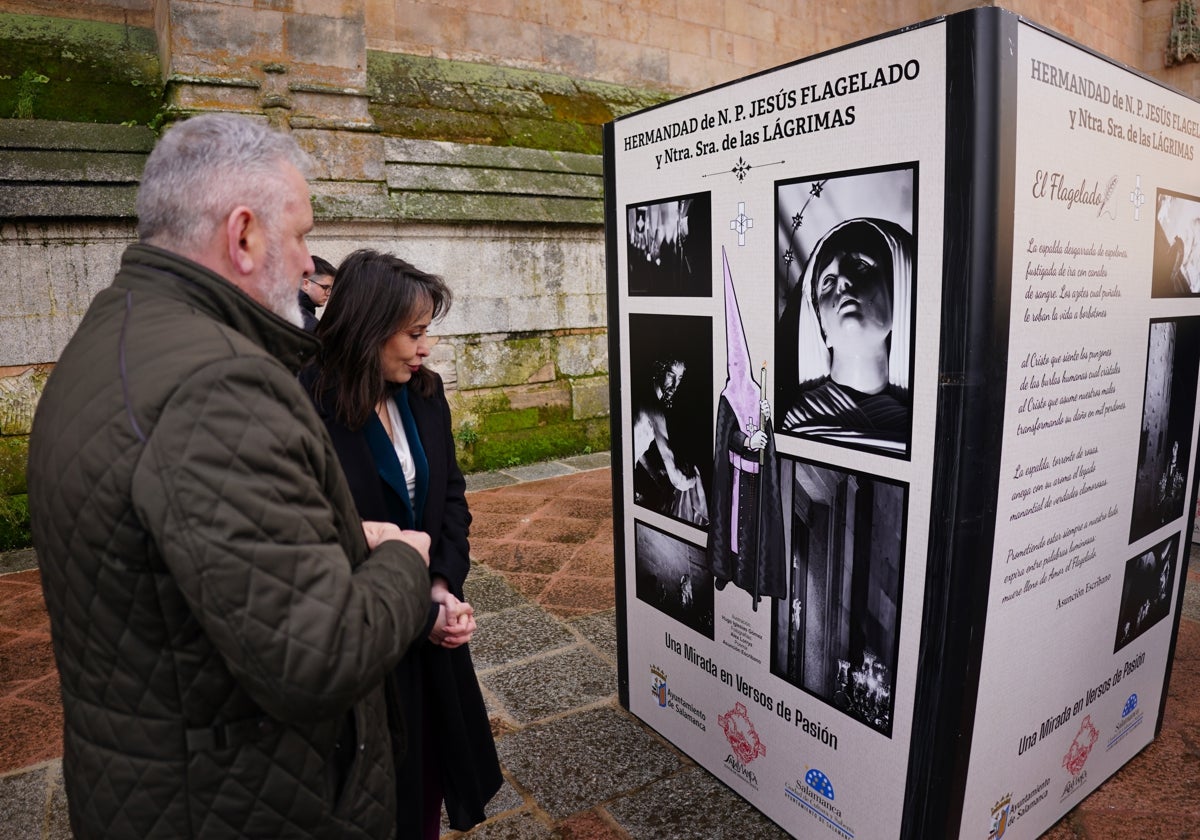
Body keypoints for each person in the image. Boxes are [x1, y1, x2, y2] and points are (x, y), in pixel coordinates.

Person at [26, 114, 434, 840]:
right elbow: (318, 656)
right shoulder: (217, 384)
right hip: (242, 802)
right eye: (302, 235)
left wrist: (342, 543)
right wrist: (405, 561)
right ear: (244, 234)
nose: (311, 264)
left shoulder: (118, 333)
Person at [303, 249, 502, 838]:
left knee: (428, 780)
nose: (426, 348)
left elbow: (449, 497)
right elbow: (310, 535)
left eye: (427, 333)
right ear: (368, 329)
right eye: (414, 333)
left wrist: (442, 585)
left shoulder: (424, 392)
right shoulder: (306, 404)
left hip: (429, 635)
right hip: (363, 644)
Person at [777, 217, 914, 454]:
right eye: (827, 281)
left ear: (898, 293)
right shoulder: (799, 422)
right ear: (822, 328)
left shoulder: (918, 428)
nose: (842, 280)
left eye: (860, 265)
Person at [632, 355, 708, 525]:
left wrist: (654, 474)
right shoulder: (654, 408)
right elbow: (677, 480)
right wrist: (694, 479)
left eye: (680, 378)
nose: (675, 384)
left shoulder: (642, 396)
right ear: (659, 371)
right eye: (671, 375)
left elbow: (636, 447)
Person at [299, 254, 337, 331]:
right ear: (306, 284)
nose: (328, 293)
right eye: (325, 287)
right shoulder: (309, 325)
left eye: (330, 289)